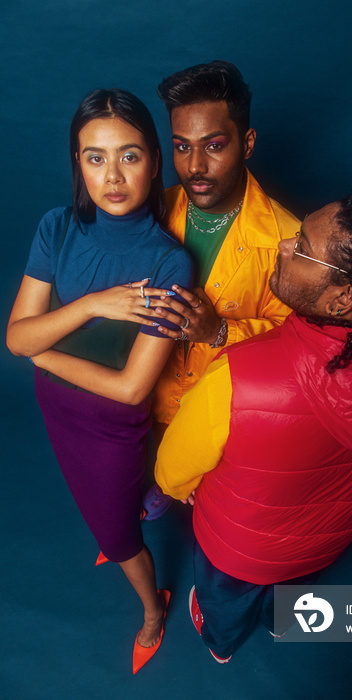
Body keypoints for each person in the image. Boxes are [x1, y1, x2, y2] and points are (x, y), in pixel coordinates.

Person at [155, 192, 352, 662]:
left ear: (345, 298)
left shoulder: (241, 378)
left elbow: (172, 469)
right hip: (321, 545)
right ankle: (285, 623)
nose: (281, 243)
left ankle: (220, 641)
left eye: (300, 246)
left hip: (236, 547)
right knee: (290, 596)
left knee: (224, 599)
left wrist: (180, 487)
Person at [6, 88, 193, 674]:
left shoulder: (170, 264)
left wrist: (48, 355)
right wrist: (92, 305)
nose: (112, 175)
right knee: (103, 506)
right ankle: (118, 515)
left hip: (113, 423)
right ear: (78, 163)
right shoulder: (56, 227)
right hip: (58, 410)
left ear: (156, 161)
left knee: (117, 539)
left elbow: (131, 388)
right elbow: (15, 337)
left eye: (130, 156)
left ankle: (152, 611)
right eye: (94, 157)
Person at [147, 60, 300, 426]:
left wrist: (219, 331)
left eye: (213, 145)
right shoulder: (151, 213)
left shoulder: (289, 240)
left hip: (223, 429)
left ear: (247, 144)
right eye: (182, 147)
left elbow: (300, 347)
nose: (195, 166)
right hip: (142, 414)